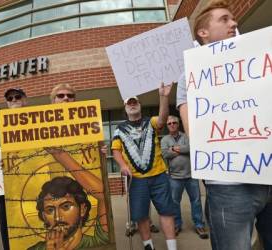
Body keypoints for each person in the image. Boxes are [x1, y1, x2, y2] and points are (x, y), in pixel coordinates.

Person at [177, 1, 272, 249]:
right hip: (229, 187)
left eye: (233, 19)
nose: (234, 23)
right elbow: (193, 131)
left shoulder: (258, 63)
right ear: (203, 32)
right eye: (225, 19)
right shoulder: (190, 75)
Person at [112, 83, 177, 250]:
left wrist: (163, 96)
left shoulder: (151, 122)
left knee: (166, 211)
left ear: (140, 105)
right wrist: (122, 165)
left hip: (159, 175)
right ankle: (148, 246)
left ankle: (172, 247)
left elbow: (163, 119)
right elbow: (116, 150)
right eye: (129, 103)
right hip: (136, 180)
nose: (132, 105)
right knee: (140, 215)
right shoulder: (119, 130)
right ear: (125, 108)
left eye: (135, 102)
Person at [28, 148, 109, 250]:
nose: (57, 218)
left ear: (82, 209)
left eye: (66, 206)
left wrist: (60, 155)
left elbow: (104, 194)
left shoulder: (98, 243)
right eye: (50, 210)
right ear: (44, 216)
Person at [161, 116, 208, 239]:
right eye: (169, 123)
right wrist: (181, 150)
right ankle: (177, 224)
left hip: (191, 176)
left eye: (174, 122)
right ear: (167, 125)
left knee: (196, 201)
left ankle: (199, 224)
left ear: (178, 124)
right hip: (174, 177)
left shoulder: (186, 136)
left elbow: (191, 148)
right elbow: (165, 153)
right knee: (175, 202)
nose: (172, 125)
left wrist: (175, 149)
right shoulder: (165, 139)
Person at [0, 87, 28, 250]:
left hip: (31, 181)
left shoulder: (37, 121)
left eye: (17, 97)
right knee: (7, 225)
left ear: (25, 100)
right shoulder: (1, 129)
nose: (14, 100)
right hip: (8, 186)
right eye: (10, 98)